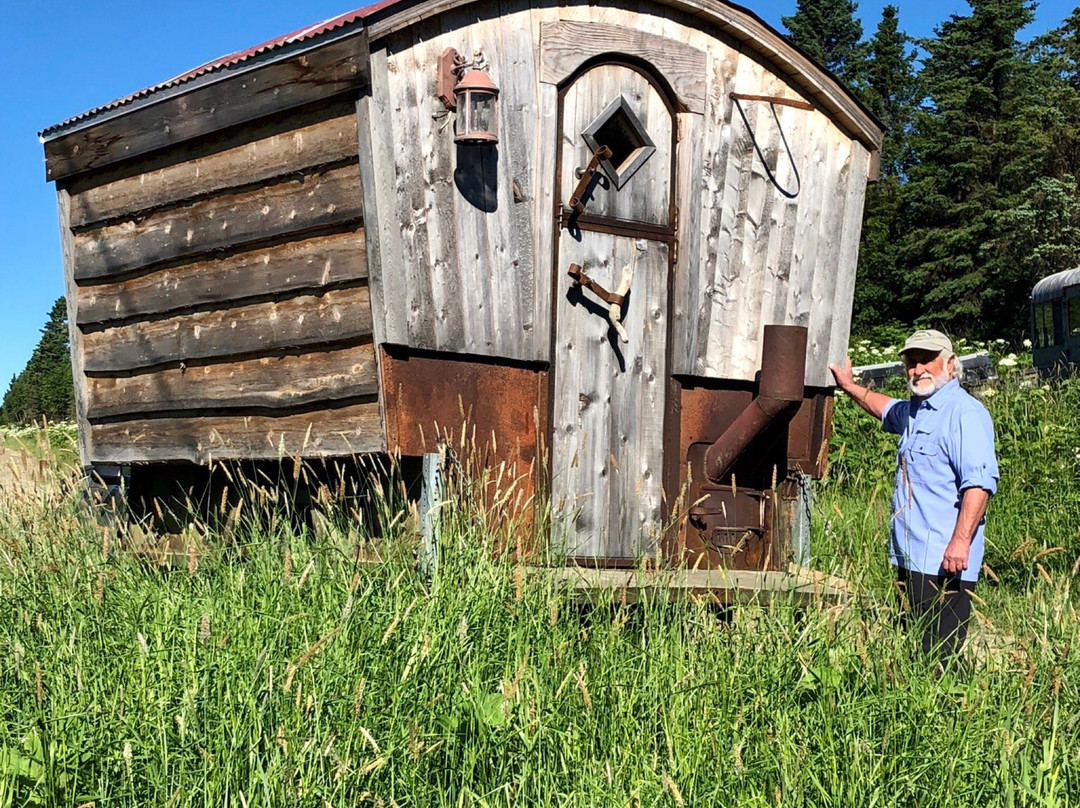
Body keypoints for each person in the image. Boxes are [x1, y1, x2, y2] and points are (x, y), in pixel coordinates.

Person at [829, 330, 999, 664]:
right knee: (916, 650)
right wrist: (849, 386)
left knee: (940, 656)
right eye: (911, 362)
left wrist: (960, 542)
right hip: (910, 556)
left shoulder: (965, 413)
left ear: (950, 364)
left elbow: (979, 485)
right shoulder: (916, 411)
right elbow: (885, 408)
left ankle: (953, 711)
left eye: (927, 360)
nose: (918, 368)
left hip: (945, 561)